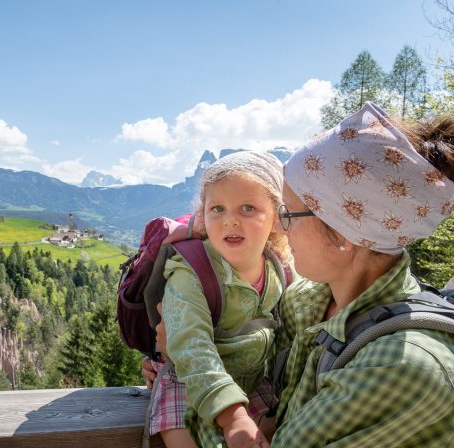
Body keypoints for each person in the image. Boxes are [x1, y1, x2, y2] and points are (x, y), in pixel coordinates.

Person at [147, 102, 454, 447]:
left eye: (289, 213)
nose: (280, 226)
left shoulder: (402, 368)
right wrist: (184, 361)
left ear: (343, 232)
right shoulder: (306, 302)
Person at [149, 151, 292, 448]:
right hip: (187, 383)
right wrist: (233, 417)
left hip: (251, 384)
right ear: (203, 215)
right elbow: (191, 346)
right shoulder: (190, 273)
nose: (230, 221)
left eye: (248, 208)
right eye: (218, 209)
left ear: (277, 219)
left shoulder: (280, 272)